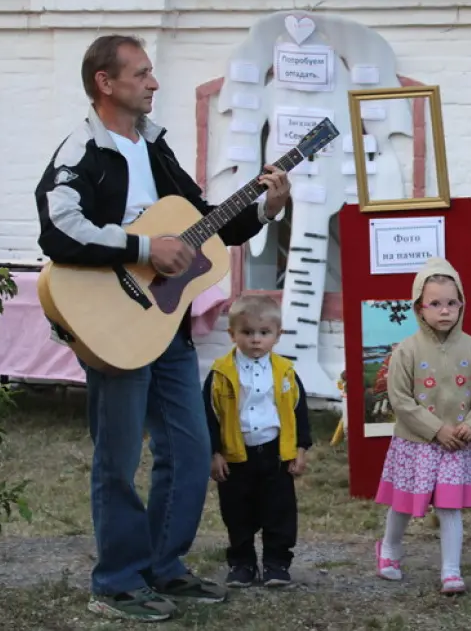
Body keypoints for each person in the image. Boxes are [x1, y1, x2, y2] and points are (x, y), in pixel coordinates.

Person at [33, 34, 291, 622]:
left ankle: (164, 568)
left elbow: (208, 227)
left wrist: (266, 207)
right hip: (113, 325)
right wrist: (147, 245)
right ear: (106, 82)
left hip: (166, 324)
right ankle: (117, 582)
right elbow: (59, 229)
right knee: (118, 459)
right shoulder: (81, 152)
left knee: (192, 450)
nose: (153, 82)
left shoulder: (155, 149)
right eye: (142, 73)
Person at [373, 258, 471, 596]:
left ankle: (451, 570)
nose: (444, 311)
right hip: (417, 442)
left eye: (451, 303)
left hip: (457, 444)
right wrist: (436, 429)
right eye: (435, 303)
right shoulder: (406, 351)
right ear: (419, 307)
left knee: (450, 506)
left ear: (462, 305)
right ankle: (389, 550)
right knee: (403, 502)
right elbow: (401, 400)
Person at [203, 294, 312, 589]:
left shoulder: (286, 372)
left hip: (274, 455)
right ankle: (242, 564)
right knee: (237, 512)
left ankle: (276, 564)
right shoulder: (220, 373)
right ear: (232, 334)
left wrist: (300, 449)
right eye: (247, 332)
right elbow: (209, 415)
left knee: (279, 511)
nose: (255, 340)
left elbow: (298, 411)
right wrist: (214, 453)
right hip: (236, 457)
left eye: (264, 333)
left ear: (278, 335)